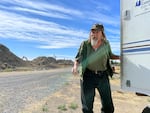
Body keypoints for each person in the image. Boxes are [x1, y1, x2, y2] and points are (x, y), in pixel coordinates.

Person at [72, 23, 120, 113]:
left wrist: (120, 57)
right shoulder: (85, 44)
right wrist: (75, 66)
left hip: (103, 76)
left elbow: (110, 55)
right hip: (88, 76)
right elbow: (78, 58)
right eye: (92, 32)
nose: (94, 34)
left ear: (102, 33)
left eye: (97, 32)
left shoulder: (106, 44)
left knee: (108, 105)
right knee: (87, 105)